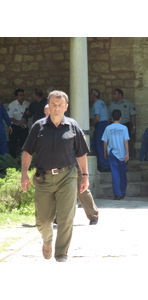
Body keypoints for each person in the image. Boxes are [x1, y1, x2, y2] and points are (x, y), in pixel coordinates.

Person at [21, 90, 90, 262]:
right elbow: (28, 151)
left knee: (66, 217)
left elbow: (81, 153)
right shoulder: (38, 126)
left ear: (66, 107)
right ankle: (47, 241)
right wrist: (24, 174)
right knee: (42, 221)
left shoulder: (73, 126)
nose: (56, 108)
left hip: (67, 176)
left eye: (60, 105)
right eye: (53, 104)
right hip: (43, 179)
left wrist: (85, 176)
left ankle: (61, 254)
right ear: (48, 106)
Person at [44, 104, 99, 225]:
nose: (49, 115)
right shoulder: (43, 127)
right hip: (55, 165)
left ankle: (93, 215)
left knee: (82, 190)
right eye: (47, 113)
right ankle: (59, 218)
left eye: (50, 112)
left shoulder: (69, 124)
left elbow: (82, 139)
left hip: (73, 163)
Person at [102, 109, 130, 200]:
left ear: (112, 118)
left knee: (115, 173)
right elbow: (126, 141)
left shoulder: (108, 128)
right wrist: (127, 153)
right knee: (123, 174)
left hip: (112, 152)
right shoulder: (124, 128)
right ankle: (122, 192)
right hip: (122, 153)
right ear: (121, 118)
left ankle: (117, 194)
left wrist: (105, 152)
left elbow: (105, 142)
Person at [89, 88, 110, 172]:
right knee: (94, 145)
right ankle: (100, 163)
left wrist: (91, 124)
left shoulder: (96, 104)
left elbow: (97, 118)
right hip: (104, 125)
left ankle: (104, 166)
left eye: (90, 94)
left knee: (100, 146)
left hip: (100, 125)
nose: (89, 96)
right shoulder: (102, 103)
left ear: (93, 95)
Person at [7, 88, 30, 158]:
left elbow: (29, 115)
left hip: (24, 127)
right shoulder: (12, 105)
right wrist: (18, 122)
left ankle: (24, 160)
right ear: (16, 97)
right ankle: (12, 161)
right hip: (14, 127)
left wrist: (25, 120)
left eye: (23, 95)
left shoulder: (27, 104)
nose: (22, 96)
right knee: (13, 145)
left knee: (25, 145)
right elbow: (9, 117)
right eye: (20, 95)